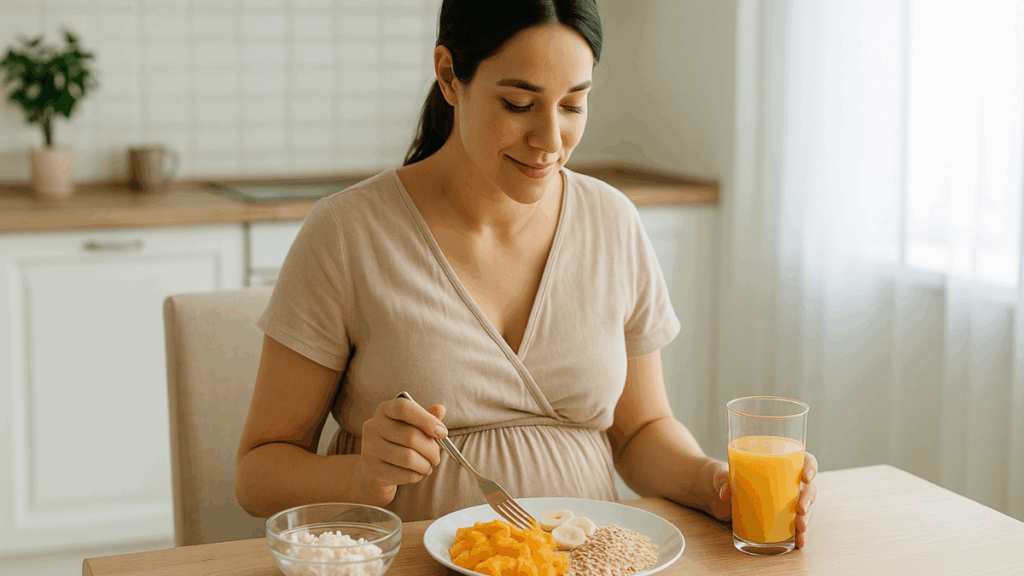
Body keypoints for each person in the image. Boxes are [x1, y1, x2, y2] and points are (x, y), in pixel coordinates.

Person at [234, 0, 817, 548]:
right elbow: (257, 475)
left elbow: (640, 433)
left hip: (585, 560)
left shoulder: (612, 221)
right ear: (448, 74)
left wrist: (715, 482)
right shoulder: (346, 233)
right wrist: (360, 477)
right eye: (518, 104)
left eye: (573, 105)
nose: (550, 141)